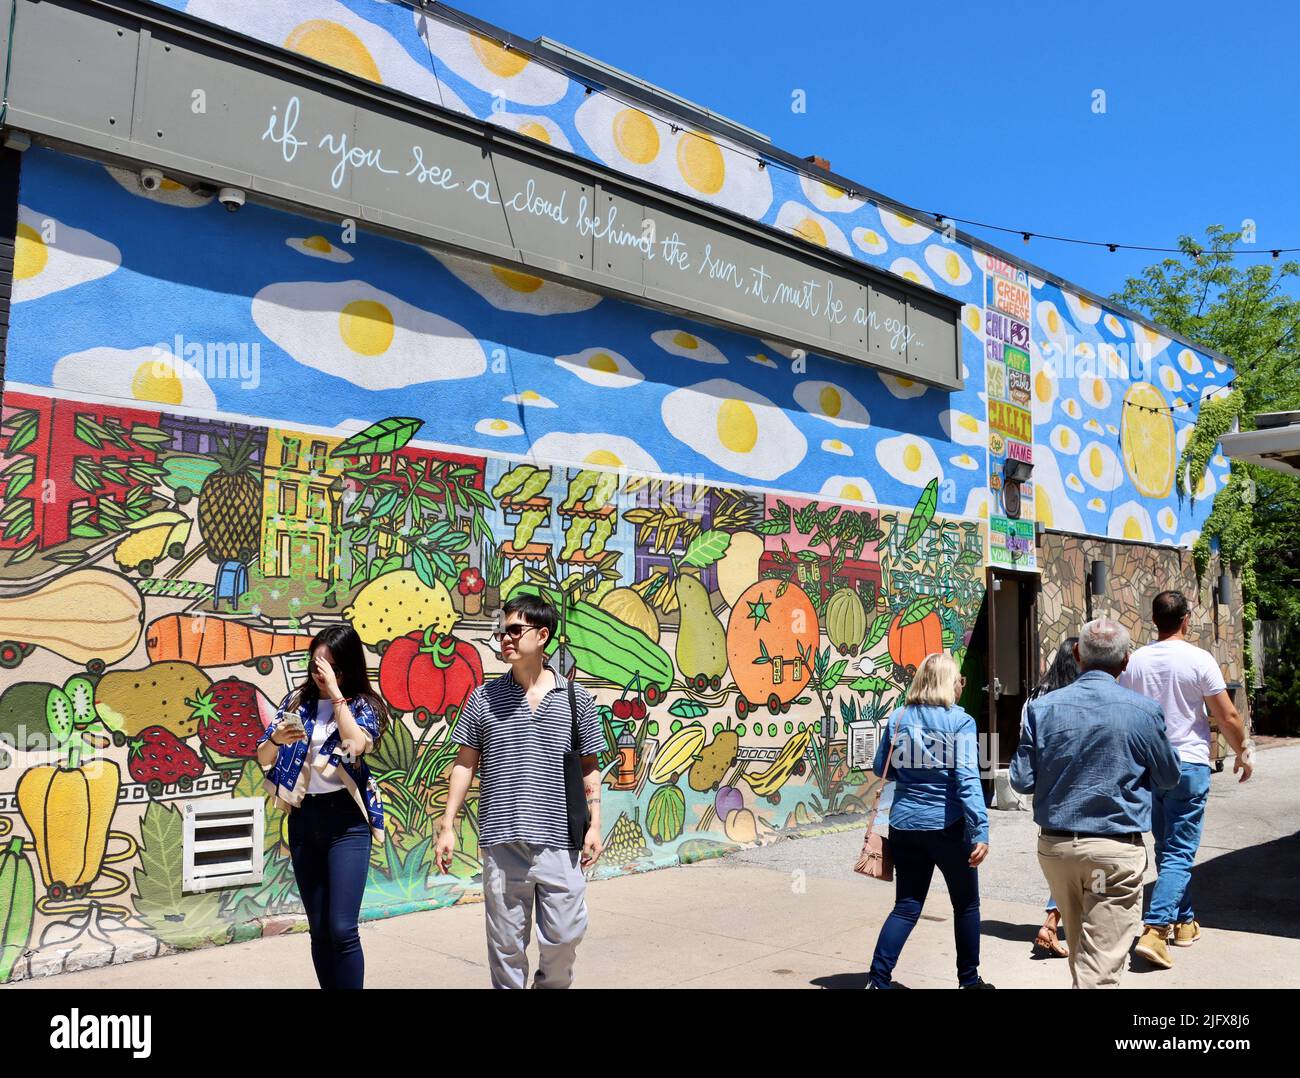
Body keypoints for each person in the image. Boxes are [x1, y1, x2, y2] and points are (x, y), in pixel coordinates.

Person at [437, 593, 604, 989]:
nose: (505, 639)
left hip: (560, 839)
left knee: (564, 937)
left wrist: (595, 824)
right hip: (502, 840)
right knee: (506, 947)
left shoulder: (576, 699)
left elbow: (590, 768)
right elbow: (464, 764)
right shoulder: (483, 698)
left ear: (542, 635)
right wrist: (448, 824)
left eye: (514, 630)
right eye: (501, 632)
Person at [1010, 617, 1180, 989]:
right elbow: (1169, 777)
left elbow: (1021, 780)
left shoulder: (1042, 708)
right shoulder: (1144, 711)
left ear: (1077, 654)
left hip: (1056, 850)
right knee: (1099, 968)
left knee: (1086, 957)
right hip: (1113, 852)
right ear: (1125, 661)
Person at [1118, 591, 1255, 970]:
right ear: (1185, 620)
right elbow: (1226, 715)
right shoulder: (1199, 659)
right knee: (1179, 851)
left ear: (1154, 619)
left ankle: (1184, 922)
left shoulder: (1136, 662)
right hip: (1189, 764)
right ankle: (1156, 929)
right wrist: (1244, 751)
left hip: (1148, 766)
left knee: (1167, 848)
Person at [256, 624, 388, 989]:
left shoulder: (366, 706)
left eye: (330, 668)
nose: (321, 674)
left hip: (346, 823)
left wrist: (335, 694)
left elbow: (355, 745)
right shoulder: (297, 702)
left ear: (346, 669)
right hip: (304, 820)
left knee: (342, 928)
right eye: (317, 666)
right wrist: (276, 739)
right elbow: (262, 755)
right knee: (319, 930)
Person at [867, 652, 992, 990]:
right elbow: (967, 779)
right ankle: (969, 981)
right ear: (948, 683)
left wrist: (913, 772)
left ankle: (877, 981)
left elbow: (882, 768)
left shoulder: (898, 718)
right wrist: (980, 829)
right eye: (959, 681)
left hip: (904, 825)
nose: (961, 686)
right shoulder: (960, 722)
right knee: (966, 904)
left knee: (906, 906)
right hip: (948, 827)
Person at [1024, 638, 1080, 959]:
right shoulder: (1073, 698)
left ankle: (1053, 920)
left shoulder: (1036, 695)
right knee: (1075, 858)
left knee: (1061, 859)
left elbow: (1026, 743)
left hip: (1046, 790)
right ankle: (1051, 921)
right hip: (1075, 787)